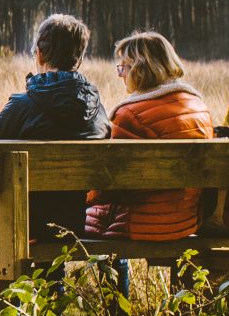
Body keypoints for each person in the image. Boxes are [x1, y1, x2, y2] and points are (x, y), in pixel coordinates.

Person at [0, 12, 110, 247]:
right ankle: (53, 285)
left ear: (39, 53)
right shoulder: (99, 111)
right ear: (78, 58)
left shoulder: (23, 105)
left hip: (19, 222)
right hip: (72, 224)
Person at [84, 30, 217, 240]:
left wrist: (83, 195)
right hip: (186, 220)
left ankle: (116, 273)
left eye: (124, 67)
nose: (121, 74)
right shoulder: (198, 107)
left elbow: (112, 182)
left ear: (140, 68)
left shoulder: (130, 115)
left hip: (144, 222)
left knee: (87, 216)